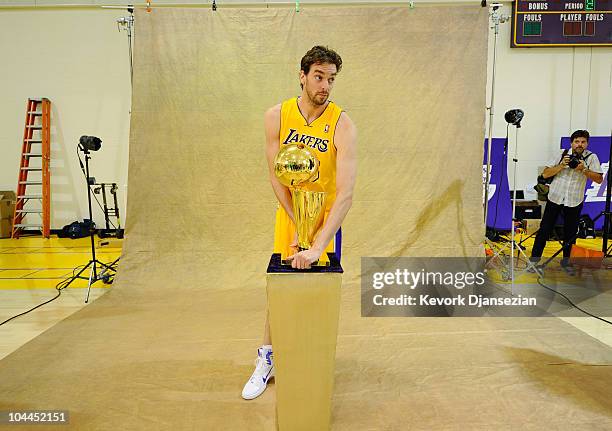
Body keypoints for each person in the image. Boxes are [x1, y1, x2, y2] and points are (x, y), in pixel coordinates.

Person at [241, 46, 357, 400]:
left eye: (331, 79)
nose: (325, 86)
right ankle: (268, 358)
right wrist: (298, 222)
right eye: (319, 77)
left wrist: (319, 240)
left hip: (326, 219)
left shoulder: (342, 123)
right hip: (291, 213)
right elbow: (276, 175)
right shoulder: (277, 115)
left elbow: (346, 192)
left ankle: (312, 362)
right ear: (302, 75)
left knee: (318, 291)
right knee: (281, 288)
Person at [530, 130, 603, 272]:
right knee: (544, 231)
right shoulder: (561, 154)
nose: (579, 145)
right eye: (577, 141)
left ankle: (566, 263)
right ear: (572, 143)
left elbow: (599, 179)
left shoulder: (591, 157)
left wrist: (584, 170)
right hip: (555, 197)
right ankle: (533, 261)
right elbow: (545, 174)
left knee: (570, 234)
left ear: (587, 143)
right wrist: (562, 165)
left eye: (583, 142)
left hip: (574, 200)